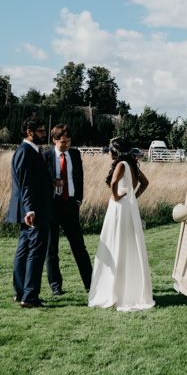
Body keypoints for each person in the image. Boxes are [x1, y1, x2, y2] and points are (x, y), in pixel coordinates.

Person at [88, 137, 154, 311]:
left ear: (115, 152)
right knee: (129, 244)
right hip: (129, 207)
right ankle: (127, 289)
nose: (109, 153)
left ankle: (114, 290)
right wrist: (133, 196)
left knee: (115, 242)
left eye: (110, 150)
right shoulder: (132, 164)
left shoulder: (120, 165)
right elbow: (145, 183)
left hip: (119, 208)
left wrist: (116, 196)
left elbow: (114, 182)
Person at [6, 117, 53, 308]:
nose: (44, 133)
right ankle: (30, 296)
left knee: (23, 251)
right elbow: (26, 185)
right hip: (34, 211)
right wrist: (30, 210)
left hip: (28, 209)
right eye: (41, 131)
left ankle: (20, 292)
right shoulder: (26, 152)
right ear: (29, 132)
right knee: (35, 252)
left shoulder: (29, 151)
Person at [44, 124, 93, 295]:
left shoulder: (75, 153)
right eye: (63, 142)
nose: (67, 145)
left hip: (71, 204)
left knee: (79, 247)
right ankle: (56, 287)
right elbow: (40, 182)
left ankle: (90, 284)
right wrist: (52, 182)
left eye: (69, 141)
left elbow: (79, 177)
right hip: (52, 207)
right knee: (52, 249)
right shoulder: (46, 156)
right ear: (54, 140)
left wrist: (78, 199)